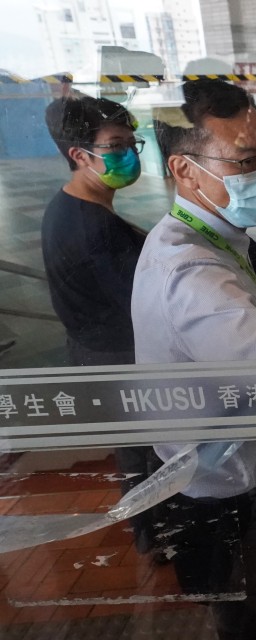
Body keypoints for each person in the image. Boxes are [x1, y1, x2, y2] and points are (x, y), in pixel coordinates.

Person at [134, 79, 256, 640]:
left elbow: (254, 325)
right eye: (244, 161)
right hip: (225, 494)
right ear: (185, 170)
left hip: (252, 470)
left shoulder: (221, 239)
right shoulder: (187, 269)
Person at [40, 94, 162, 559]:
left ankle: (149, 532)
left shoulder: (69, 207)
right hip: (117, 356)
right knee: (147, 452)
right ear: (79, 155)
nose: (128, 153)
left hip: (95, 350)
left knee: (135, 451)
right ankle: (157, 536)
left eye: (132, 142)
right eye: (114, 145)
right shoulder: (93, 228)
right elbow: (143, 303)